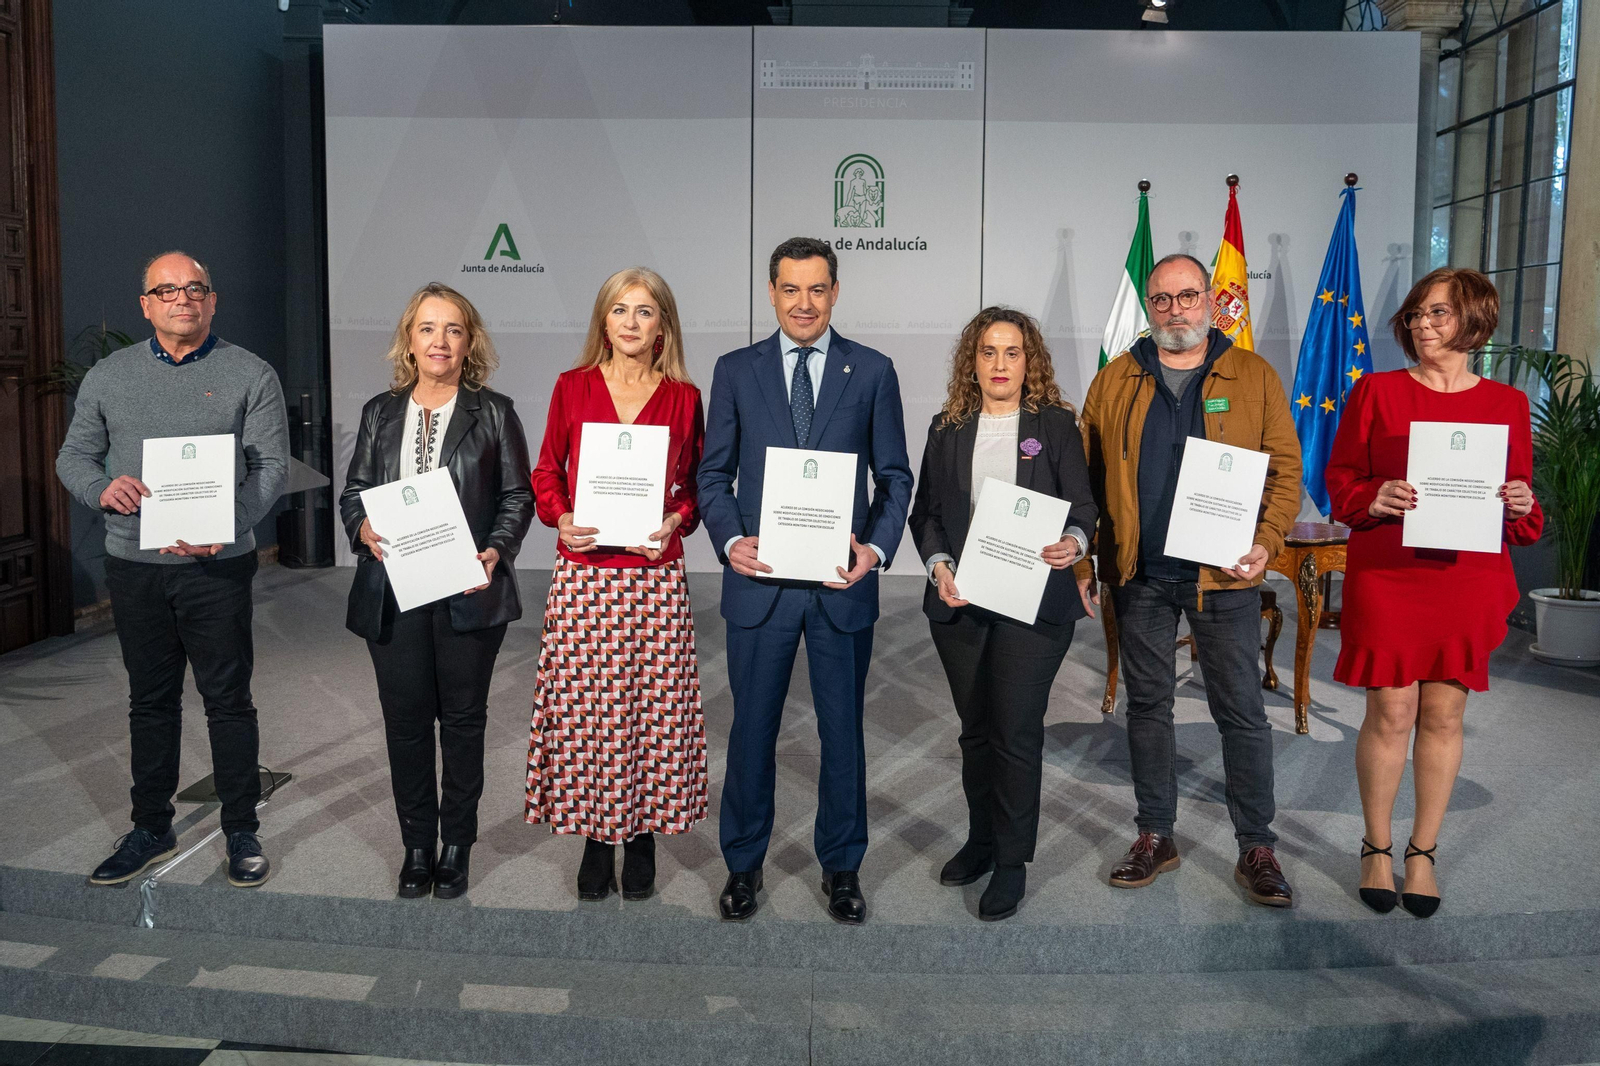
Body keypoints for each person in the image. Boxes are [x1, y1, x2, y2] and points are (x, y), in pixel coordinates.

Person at [56, 251, 288, 888]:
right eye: (167, 290)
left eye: (195, 289)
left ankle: (241, 827)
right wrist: (102, 489)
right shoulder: (109, 376)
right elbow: (73, 457)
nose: (182, 299)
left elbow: (270, 468)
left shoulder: (250, 373)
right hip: (137, 566)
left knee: (228, 701)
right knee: (150, 702)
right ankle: (150, 826)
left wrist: (228, 522)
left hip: (219, 568)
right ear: (146, 305)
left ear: (213, 301)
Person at [699, 237, 913, 924]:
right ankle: (742, 865)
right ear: (771, 293)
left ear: (835, 292)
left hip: (840, 587)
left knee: (843, 734)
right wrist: (731, 541)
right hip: (759, 587)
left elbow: (896, 478)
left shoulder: (873, 371)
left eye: (817, 289)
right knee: (752, 732)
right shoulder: (736, 370)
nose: (804, 303)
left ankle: (843, 867)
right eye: (791, 289)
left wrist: (875, 552)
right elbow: (713, 474)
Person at [1077, 253, 1302, 907]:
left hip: (1223, 577)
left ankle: (1256, 846)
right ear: (1149, 307)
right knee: (1148, 708)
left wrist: (1265, 543)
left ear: (1210, 300)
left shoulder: (1253, 375)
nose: (1176, 309)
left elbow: (1286, 471)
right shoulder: (1114, 381)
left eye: (1188, 296)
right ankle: (1155, 835)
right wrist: (1088, 561)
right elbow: (1085, 483)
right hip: (1140, 575)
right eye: (1163, 299)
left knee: (1242, 713)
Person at [1325, 267, 1540, 918]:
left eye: (1437, 314)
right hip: (1391, 574)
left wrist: (1521, 500)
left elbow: (1523, 510)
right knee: (1391, 713)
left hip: (1465, 581)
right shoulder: (1377, 392)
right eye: (1416, 315)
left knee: (1445, 716)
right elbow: (1340, 482)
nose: (1421, 325)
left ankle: (1422, 853)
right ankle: (1377, 847)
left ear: (1475, 320)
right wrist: (1375, 495)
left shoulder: (1507, 405)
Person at [341, 282, 533, 901]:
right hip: (392, 590)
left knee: (463, 721)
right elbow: (354, 494)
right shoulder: (380, 412)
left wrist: (497, 549)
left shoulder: (495, 411)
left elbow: (516, 496)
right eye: (427, 328)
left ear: (469, 340)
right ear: (409, 339)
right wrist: (361, 527)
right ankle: (417, 845)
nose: (440, 341)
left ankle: (456, 846)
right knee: (404, 724)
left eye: (452, 329)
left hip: (467, 591)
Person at [908, 307, 1098, 921]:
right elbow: (926, 512)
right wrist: (938, 564)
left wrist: (1075, 543)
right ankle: (981, 839)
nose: (999, 364)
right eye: (988, 352)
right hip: (961, 600)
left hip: (1034, 602)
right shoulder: (947, 426)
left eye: (1011, 352)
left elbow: (1084, 507)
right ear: (973, 360)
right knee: (975, 730)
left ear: (1029, 360)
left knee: (1014, 730)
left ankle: (1011, 861)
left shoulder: (1056, 424)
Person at [525, 267, 708, 903]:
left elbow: (693, 487)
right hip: (586, 577)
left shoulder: (684, 396)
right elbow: (546, 471)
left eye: (645, 311)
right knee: (589, 715)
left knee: (651, 713)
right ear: (603, 321)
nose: (631, 322)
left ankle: (645, 835)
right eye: (619, 310)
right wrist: (562, 516)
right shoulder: (572, 387)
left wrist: (676, 518)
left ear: (664, 324)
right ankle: (597, 838)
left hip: (654, 578)